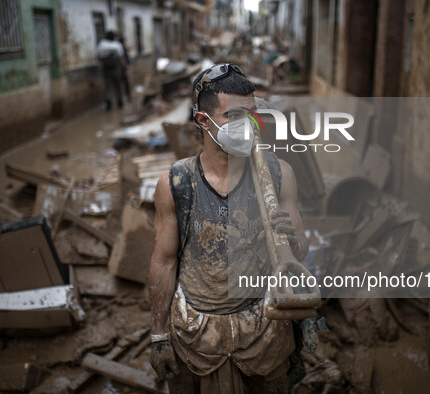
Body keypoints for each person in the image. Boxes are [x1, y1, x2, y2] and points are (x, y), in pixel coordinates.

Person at [148, 63, 310, 393]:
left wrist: (291, 240)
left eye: (251, 114)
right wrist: (159, 334)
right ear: (203, 121)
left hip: (264, 332)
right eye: (234, 116)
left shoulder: (280, 175)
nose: (248, 125)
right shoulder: (176, 183)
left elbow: (300, 251)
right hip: (197, 336)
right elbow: (164, 262)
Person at [96, 30, 125, 110]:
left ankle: (108, 102)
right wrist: (124, 67)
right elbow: (121, 58)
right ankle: (120, 102)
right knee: (118, 85)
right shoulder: (117, 45)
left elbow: (98, 57)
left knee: (108, 86)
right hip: (115, 68)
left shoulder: (101, 44)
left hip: (105, 68)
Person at [118, 36, 132, 103]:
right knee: (125, 83)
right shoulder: (121, 49)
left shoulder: (117, 48)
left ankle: (122, 98)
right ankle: (127, 96)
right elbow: (123, 59)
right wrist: (126, 68)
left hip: (119, 69)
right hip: (122, 69)